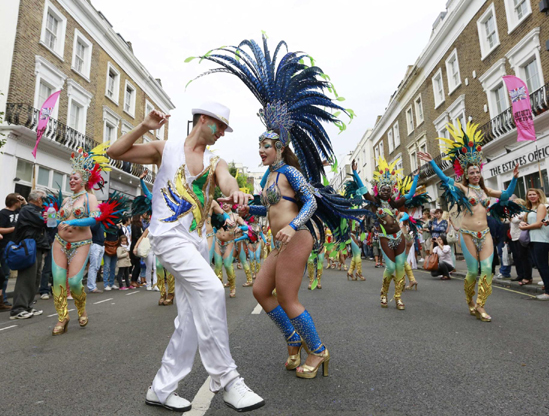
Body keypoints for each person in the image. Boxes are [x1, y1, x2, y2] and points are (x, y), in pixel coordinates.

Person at [201, 36, 365, 383]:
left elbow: (312, 201)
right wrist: (247, 208)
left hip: (297, 236)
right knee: (261, 292)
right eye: (259, 145)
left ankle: (318, 350)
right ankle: (293, 340)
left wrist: (294, 227)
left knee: (288, 298)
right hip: (280, 240)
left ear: (279, 147)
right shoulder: (268, 178)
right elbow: (269, 210)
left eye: (266, 146)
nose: (260, 150)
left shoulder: (290, 172)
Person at [107, 101, 264, 412]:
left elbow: (227, 179)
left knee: (190, 320)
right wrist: (143, 127)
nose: (221, 133)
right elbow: (115, 151)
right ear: (203, 120)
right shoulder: (165, 148)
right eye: (219, 126)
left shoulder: (214, 160)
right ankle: (227, 380)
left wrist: (236, 191)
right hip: (167, 236)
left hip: (194, 242)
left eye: (224, 130)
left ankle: (161, 389)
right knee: (212, 289)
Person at [418, 119, 519, 321]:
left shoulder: (485, 190)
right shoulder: (462, 188)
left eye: (477, 171)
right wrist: (431, 163)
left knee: (488, 270)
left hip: (486, 234)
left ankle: (480, 305)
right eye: (471, 172)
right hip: (468, 235)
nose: (474, 174)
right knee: (472, 272)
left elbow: (507, 195)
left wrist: (515, 177)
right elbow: (446, 181)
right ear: (466, 173)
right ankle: (470, 300)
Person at [50, 145, 125, 336]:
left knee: (74, 283)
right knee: (58, 282)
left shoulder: (90, 198)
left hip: (81, 244)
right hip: (59, 243)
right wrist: (50, 217)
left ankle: (81, 310)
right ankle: (62, 317)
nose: (71, 180)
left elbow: (94, 219)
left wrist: (73, 221)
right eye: (70, 178)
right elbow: (54, 223)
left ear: (84, 179)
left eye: (75, 178)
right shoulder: (66, 200)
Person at [351, 158, 419, 310]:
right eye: (383, 189)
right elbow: (363, 191)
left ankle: (398, 297)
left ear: (391, 191)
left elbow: (410, 194)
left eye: (388, 189)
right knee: (390, 267)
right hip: (385, 238)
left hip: (399, 237)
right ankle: (384, 293)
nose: (386, 191)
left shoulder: (395, 203)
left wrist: (416, 177)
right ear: (379, 190)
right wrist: (355, 173)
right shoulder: (375, 203)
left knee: (400, 266)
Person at [9, 190, 50, 320]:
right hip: (29, 247)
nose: (46, 202)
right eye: (44, 199)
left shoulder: (32, 209)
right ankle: (18, 309)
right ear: (38, 199)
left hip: (37, 246)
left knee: (35, 278)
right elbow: (42, 221)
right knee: (26, 278)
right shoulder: (28, 210)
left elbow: (49, 224)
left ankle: (27, 306)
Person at [521, 188, 549, 301]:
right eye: (530, 195)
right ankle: (548, 288)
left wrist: (523, 227)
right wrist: (524, 223)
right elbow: (533, 223)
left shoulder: (541, 206)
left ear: (539, 195)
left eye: (534, 194)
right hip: (533, 239)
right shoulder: (530, 208)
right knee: (539, 265)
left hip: (542, 239)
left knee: (542, 265)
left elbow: (539, 224)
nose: (532, 196)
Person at [0, 193, 26, 305]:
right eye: (19, 201)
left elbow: (29, 211)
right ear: (15, 202)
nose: (21, 203)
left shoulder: (20, 212)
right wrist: (13, 229)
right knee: (5, 273)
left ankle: (22, 298)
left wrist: (24, 202)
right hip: (5, 246)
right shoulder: (2, 214)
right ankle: (2, 299)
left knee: (23, 272)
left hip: (18, 245)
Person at [508, 198, 530, 284]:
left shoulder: (523, 212)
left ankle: (526, 276)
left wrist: (511, 217)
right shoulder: (513, 213)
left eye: (515, 204)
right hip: (513, 237)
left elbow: (516, 220)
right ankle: (520, 275)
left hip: (521, 236)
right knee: (516, 257)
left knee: (523, 257)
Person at [86, 221, 105, 293]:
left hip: (101, 244)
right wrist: (99, 220)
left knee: (97, 267)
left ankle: (93, 285)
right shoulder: (93, 222)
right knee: (93, 266)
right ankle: (91, 286)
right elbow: (93, 229)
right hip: (95, 244)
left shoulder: (100, 222)